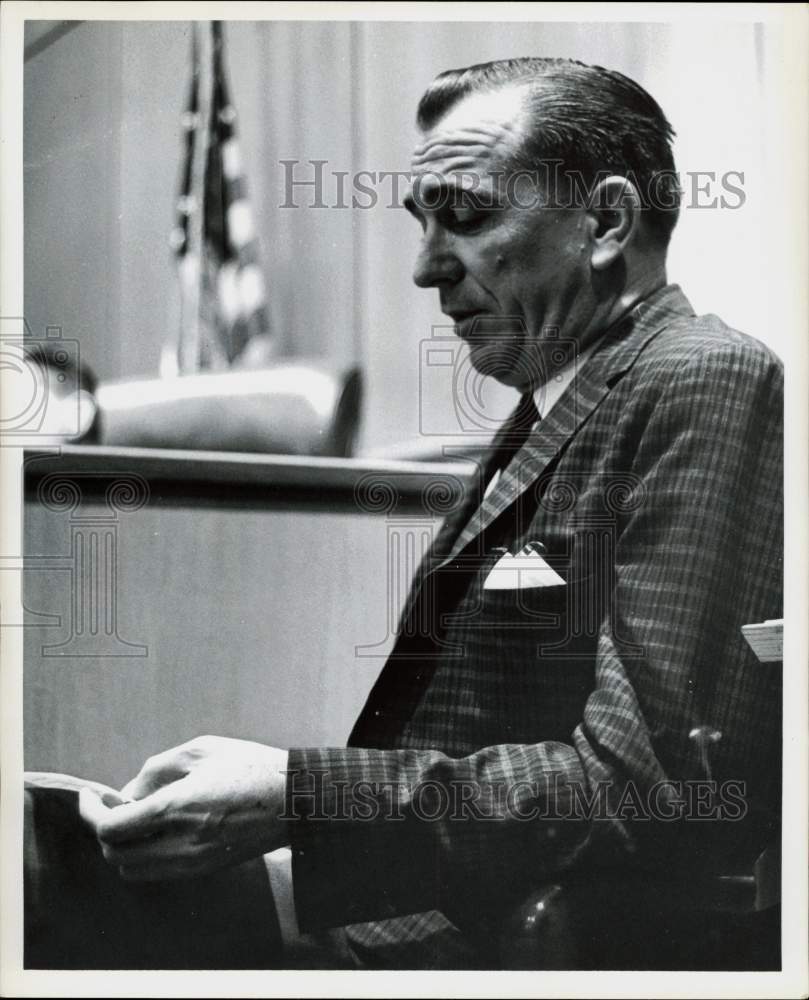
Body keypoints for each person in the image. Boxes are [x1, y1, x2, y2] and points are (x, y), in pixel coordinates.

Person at [62, 57, 783, 969]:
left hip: (484, 947)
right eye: (423, 221)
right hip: (415, 915)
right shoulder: (561, 396)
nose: (426, 268)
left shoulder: (701, 377)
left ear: (605, 221)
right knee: (44, 854)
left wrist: (297, 797)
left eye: (469, 216)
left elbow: (644, 793)